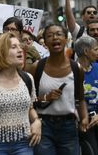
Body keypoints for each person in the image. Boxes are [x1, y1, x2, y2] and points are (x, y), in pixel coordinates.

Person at [26, 24, 88, 155]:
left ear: (66, 39)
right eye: (49, 35)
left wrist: (84, 118)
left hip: (69, 127)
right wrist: (45, 98)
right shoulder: (36, 68)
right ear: (45, 42)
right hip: (43, 126)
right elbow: (28, 100)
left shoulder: (77, 68)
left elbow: (80, 98)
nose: (55, 38)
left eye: (59, 34)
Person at [74, 36, 98, 154]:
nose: (97, 52)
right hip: (82, 124)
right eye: (96, 49)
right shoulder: (71, 71)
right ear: (86, 52)